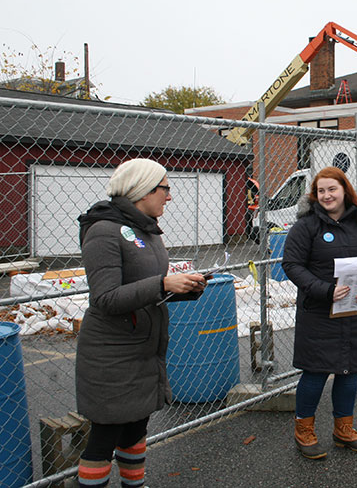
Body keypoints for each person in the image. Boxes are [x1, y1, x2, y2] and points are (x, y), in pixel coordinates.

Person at [75, 158, 208, 487]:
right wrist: (164, 284)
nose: (170, 196)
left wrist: (184, 290)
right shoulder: (103, 230)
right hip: (112, 355)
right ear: (142, 190)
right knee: (103, 441)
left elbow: (146, 289)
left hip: (143, 349)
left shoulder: (145, 229)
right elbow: (106, 298)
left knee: (135, 429)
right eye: (165, 188)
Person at [282, 166, 357, 460]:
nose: (327, 195)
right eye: (321, 191)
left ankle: (344, 429)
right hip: (319, 312)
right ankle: (303, 430)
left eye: (332, 189)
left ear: (345, 191)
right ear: (315, 196)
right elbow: (291, 265)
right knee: (315, 371)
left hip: (356, 310)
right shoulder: (306, 226)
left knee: (350, 370)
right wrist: (324, 290)